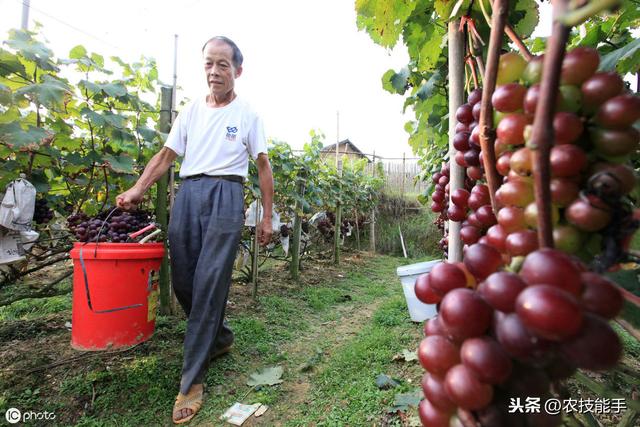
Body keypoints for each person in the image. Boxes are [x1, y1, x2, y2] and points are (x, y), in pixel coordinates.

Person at [116, 36, 273, 424]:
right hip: (189, 194)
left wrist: (268, 217)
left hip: (227, 194)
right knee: (184, 280)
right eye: (209, 64)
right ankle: (218, 339)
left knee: (209, 282)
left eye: (223, 65)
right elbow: (167, 156)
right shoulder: (189, 112)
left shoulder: (248, 115)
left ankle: (191, 380)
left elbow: (263, 167)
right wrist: (138, 189)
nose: (215, 71)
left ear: (238, 70)